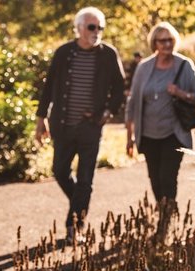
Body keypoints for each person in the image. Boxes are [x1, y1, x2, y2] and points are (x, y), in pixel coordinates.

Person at [35, 6, 125, 242]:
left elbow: (119, 90)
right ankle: (80, 202)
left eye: (100, 27)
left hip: (90, 127)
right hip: (62, 125)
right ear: (79, 28)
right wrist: (40, 118)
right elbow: (48, 89)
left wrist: (106, 113)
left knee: (85, 179)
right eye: (92, 27)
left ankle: (74, 227)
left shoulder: (108, 54)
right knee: (60, 172)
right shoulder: (64, 52)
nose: (97, 31)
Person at [125, 21, 195, 236]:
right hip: (148, 135)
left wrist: (180, 93)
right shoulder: (144, 68)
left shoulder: (184, 65)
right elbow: (132, 103)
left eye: (170, 39)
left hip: (174, 133)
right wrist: (129, 136)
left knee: (167, 177)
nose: (167, 44)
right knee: (155, 179)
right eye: (162, 40)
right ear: (155, 43)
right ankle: (167, 212)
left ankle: (165, 224)